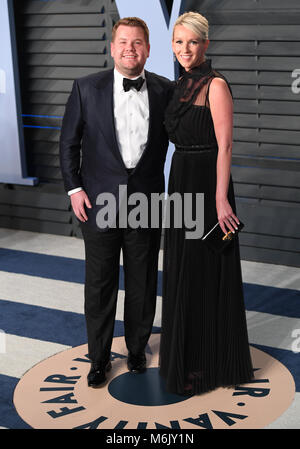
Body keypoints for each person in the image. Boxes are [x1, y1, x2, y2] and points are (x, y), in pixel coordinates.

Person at [60, 17, 173, 387]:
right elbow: (68, 144)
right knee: (100, 284)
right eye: (123, 42)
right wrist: (75, 189)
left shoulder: (165, 90)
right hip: (98, 203)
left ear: (148, 49)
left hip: (148, 202)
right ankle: (99, 358)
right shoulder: (85, 88)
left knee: (142, 282)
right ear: (112, 48)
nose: (130, 48)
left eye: (137, 42)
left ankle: (138, 349)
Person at [159, 12, 254, 396]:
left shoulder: (215, 85)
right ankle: (186, 353)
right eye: (179, 42)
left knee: (203, 271)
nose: (185, 49)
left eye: (193, 42)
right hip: (180, 178)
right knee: (184, 267)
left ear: (206, 45)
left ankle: (206, 363)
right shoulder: (180, 84)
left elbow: (226, 145)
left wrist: (219, 198)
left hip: (208, 186)